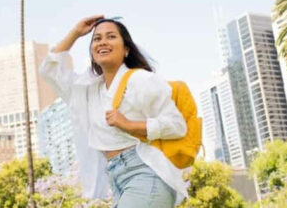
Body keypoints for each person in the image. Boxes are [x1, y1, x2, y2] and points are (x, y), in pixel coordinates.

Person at [39, 15, 188, 208]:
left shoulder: (140, 80)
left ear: (126, 49)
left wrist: (129, 125)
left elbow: (176, 125)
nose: (103, 42)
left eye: (111, 37)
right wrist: (76, 32)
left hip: (146, 172)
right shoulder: (86, 91)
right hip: (117, 180)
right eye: (97, 39)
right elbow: (48, 70)